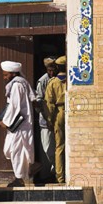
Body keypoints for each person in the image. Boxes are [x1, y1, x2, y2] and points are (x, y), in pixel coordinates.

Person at [0, 61, 41, 187]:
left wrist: (5, 122)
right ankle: (29, 169)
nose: (4, 77)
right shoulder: (19, 83)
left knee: (16, 150)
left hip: (18, 124)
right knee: (12, 150)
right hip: (19, 123)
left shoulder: (17, 85)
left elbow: (14, 106)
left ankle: (20, 178)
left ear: (13, 73)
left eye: (6, 75)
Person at [44, 55, 66, 184]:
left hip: (59, 114)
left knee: (59, 146)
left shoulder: (53, 83)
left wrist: (49, 120)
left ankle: (60, 177)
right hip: (72, 112)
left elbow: (49, 105)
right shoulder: (71, 80)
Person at [35, 57, 57, 182]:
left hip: (57, 120)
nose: (51, 73)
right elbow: (39, 100)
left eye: (53, 70)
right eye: (49, 70)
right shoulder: (43, 81)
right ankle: (46, 175)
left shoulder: (59, 79)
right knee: (47, 148)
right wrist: (46, 116)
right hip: (45, 121)